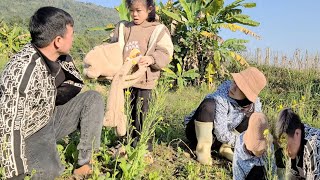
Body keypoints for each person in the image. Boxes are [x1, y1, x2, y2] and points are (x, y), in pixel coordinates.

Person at [0, 6, 104, 179]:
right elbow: (9, 127)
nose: (73, 38)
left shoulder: (55, 57)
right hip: (29, 131)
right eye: (71, 34)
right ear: (58, 40)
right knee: (51, 172)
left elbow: (72, 84)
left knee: (92, 99)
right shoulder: (22, 72)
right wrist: (14, 173)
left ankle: (84, 163)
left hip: (50, 117)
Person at [110, 0, 173, 151]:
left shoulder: (158, 29)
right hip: (126, 80)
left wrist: (152, 59)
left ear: (149, 9)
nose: (134, 14)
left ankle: (144, 148)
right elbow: (112, 46)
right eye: (131, 11)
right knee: (125, 113)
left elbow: (166, 52)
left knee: (143, 115)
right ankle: (125, 143)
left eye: (139, 10)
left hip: (146, 81)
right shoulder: (124, 28)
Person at [185, 67, 267, 164]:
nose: (233, 87)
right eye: (234, 82)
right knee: (208, 105)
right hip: (198, 133)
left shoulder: (254, 105)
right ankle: (203, 149)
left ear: (247, 95)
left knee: (252, 117)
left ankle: (225, 149)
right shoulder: (222, 95)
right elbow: (221, 132)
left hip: (222, 140)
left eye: (239, 87)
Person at [276, 108, 320, 179]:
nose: (285, 152)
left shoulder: (313, 145)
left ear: (297, 133)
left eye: (286, 146)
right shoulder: (295, 140)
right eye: (283, 147)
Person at [233, 112, 276, 180]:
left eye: (265, 146)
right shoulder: (240, 151)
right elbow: (237, 175)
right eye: (260, 148)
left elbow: (273, 168)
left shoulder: (268, 146)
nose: (264, 149)